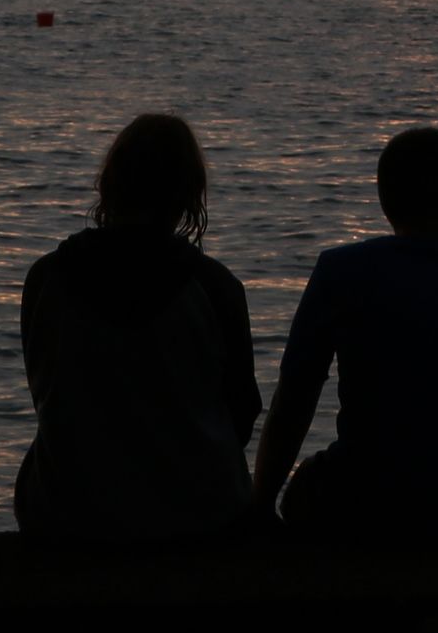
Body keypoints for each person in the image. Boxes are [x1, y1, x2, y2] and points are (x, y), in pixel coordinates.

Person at [251, 127, 438, 542]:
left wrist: (261, 504)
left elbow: (294, 399)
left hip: (369, 500)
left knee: (304, 488)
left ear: (387, 202)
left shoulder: (340, 271)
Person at [14, 113, 261, 543]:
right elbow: (241, 413)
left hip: (68, 511)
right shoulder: (216, 287)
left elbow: (43, 388)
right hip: (198, 512)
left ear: (108, 185)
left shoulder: (46, 278)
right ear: (188, 195)